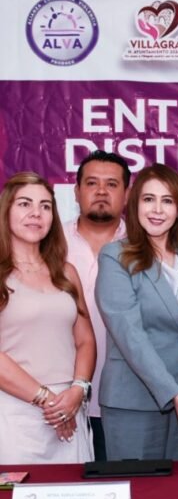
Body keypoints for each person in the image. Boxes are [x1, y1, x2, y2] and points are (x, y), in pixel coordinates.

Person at [95, 163, 178, 460]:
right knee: (139, 487)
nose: (157, 210)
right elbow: (129, 334)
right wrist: (174, 393)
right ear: (135, 205)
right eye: (148, 199)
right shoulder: (115, 256)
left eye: (167, 200)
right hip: (134, 400)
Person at [0, 173, 95, 464]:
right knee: (13, 494)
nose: (36, 213)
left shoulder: (66, 273)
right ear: (6, 211)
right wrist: (47, 400)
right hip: (14, 414)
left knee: (75, 492)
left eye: (45, 206)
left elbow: (85, 341)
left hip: (70, 410)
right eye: (25, 204)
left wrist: (78, 389)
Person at [64, 150, 130, 461]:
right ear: (76, 191)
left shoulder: (144, 246)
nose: (101, 191)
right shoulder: (49, 242)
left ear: (126, 194)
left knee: (129, 487)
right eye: (92, 183)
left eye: (111, 184)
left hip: (128, 401)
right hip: (60, 399)